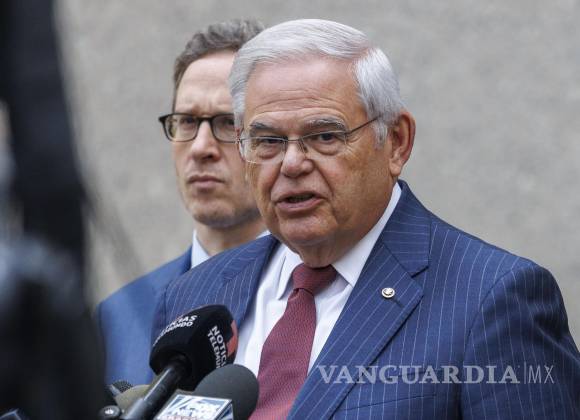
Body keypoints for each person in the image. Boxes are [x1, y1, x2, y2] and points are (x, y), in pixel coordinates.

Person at [153, 19, 579, 419]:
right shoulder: (194, 295)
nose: (292, 163)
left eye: (325, 136)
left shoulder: (493, 298)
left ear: (396, 142)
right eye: (267, 141)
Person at [97, 19, 266, 386]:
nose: (201, 147)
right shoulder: (117, 318)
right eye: (187, 121)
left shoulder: (319, 299)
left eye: (228, 123)